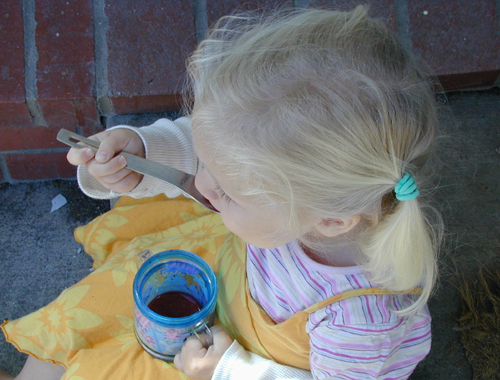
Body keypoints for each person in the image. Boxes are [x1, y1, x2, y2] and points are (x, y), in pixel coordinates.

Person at [1, 6, 443, 380]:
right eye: (207, 161)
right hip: (225, 272)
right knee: (77, 322)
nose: (205, 183)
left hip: (239, 357)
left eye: (229, 191)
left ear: (328, 221)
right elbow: (210, 149)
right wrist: (143, 154)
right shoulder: (294, 193)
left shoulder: (360, 327)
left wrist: (228, 368)